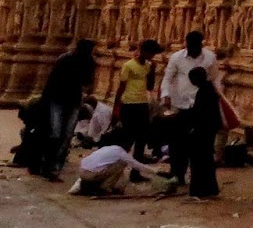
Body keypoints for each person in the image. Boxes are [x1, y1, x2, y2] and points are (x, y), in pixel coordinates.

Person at [160, 31, 218, 187]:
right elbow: (167, 78)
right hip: (181, 106)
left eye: (196, 46)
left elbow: (215, 80)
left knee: (200, 146)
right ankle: (177, 174)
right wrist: (165, 94)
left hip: (201, 108)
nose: (193, 49)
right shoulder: (177, 58)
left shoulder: (210, 58)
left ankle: (198, 179)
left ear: (201, 44)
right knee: (177, 143)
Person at [35, 39, 96, 180]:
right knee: (56, 133)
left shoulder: (88, 63)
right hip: (58, 100)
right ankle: (47, 164)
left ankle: (55, 167)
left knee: (67, 136)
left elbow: (88, 82)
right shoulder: (64, 59)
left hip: (73, 101)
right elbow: (52, 81)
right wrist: (46, 100)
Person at [70, 128, 166, 197]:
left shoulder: (108, 148)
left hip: (82, 171)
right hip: (91, 174)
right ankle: (105, 188)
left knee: (114, 165)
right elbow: (137, 165)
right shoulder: (120, 152)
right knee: (121, 164)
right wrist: (156, 171)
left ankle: (94, 186)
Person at [114, 39, 162, 164]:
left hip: (142, 103)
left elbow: (150, 87)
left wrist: (152, 70)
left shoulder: (147, 66)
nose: (152, 56)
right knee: (128, 138)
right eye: (151, 53)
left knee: (142, 138)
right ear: (144, 51)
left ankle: (135, 171)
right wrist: (116, 107)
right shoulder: (128, 65)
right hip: (129, 104)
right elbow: (121, 87)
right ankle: (115, 165)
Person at [185, 67, 224, 200]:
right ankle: (210, 188)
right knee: (207, 159)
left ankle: (199, 189)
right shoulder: (210, 89)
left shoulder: (204, 91)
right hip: (209, 129)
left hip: (203, 129)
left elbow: (199, 112)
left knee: (198, 160)